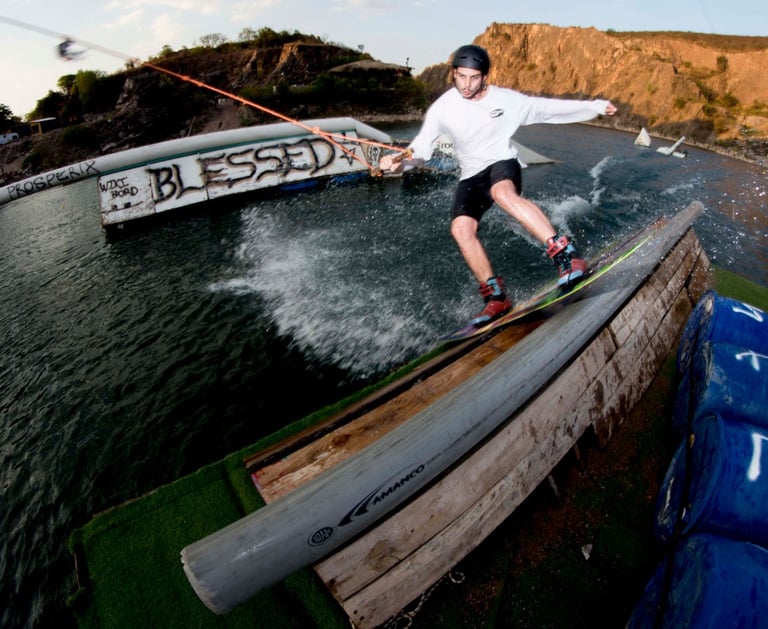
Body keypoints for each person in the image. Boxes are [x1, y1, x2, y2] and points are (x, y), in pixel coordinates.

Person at [380, 44, 617, 326]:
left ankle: (566, 255)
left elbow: (547, 109)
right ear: (453, 74)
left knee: (501, 192)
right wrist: (400, 161)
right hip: (470, 174)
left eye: (474, 78)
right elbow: (421, 149)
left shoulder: (506, 100)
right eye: (461, 77)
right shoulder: (443, 107)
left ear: (484, 77)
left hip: (501, 162)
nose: (466, 85)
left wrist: (596, 107)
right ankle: (496, 297)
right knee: (461, 228)